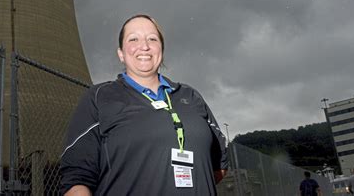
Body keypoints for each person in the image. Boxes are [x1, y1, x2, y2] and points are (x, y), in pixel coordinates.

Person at [60, 14, 228, 195]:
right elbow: (76, 180)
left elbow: (219, 165)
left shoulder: (191, 96)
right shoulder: (100, 98)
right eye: (133, 39)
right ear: (121, 54)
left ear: (161, 49)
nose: (144, 46)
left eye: (152, 39)